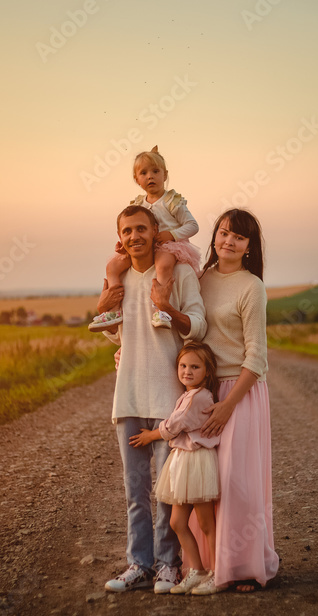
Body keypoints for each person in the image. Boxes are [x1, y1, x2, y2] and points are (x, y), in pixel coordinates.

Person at [100, 205, 207, 594]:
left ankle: (167, 565)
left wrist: (167, 309)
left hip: (168, 399)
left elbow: (199, 323)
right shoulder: (119, 276)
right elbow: (115, 334)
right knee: (135, 490)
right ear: (121, 236)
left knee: (166, 490)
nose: (134, 237)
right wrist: (107, 318)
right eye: (126, 231)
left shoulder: (178, 273)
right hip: (127, 396)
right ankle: (139, 564)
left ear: (155, 230)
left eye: (141, 228)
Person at [187, 208, 279, 595]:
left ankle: (243, 566)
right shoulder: (200, 280)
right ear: (215, 237)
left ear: (248, 247)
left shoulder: (251, 286)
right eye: (223, 233)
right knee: (206, 482)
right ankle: (208, 564)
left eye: (238, 237)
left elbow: (256, 356)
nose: (228, 241)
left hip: (240, 393)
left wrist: (228, 405)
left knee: (236, 481)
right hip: (205, 393)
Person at [131, 341, 222, 595]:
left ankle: (216, 573)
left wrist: (151, 435)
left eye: (195, 366)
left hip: (197, 462)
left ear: (207, 371)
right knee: (177, 522)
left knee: (206, 524)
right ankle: (197, 570)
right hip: (182, 461)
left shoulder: (201, 396)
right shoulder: (186, 394)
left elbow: (175, 424)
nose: (187, 371)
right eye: (183, 366)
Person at [89, 146, 202, 332]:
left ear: (165, 175)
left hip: (169, 247)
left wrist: (172, 235)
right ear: (137, 179)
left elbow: (193, 226)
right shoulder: (138, 204)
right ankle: (114, 310)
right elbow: (132, 230)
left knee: (163, 265)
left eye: (156, 171)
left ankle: (160, 309)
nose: (150, 176)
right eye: (144, 173)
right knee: (112, 266)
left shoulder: (172, 201)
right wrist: (124, 245)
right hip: (146, 248)